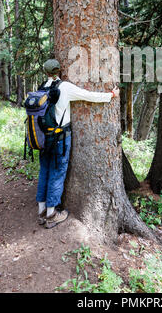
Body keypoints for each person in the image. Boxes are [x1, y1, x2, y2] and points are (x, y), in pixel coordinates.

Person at [36, 59, 120, 229]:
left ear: (45, 72)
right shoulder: (65, 87)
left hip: (43, 138)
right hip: (60, 137)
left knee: (44, 170)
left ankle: (41, 210)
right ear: (60, 70)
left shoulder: (41, 87)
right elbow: (88, 95)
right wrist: (110, 95)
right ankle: (52, 214)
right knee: (57, 172)